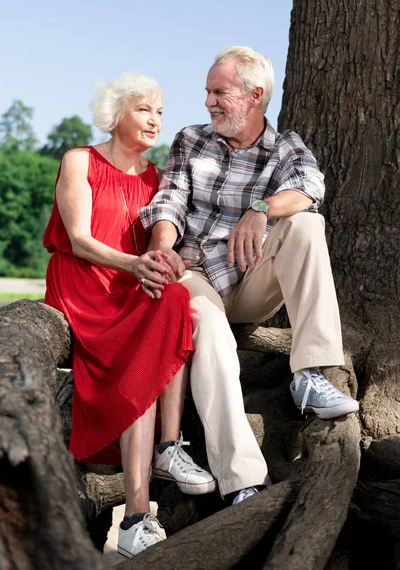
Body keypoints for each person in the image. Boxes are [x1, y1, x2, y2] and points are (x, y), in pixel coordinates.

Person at [139, 46, 359, 506]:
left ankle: (310, 372)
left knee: (306, 223)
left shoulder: (285, 147)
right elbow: (170, 200)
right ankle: (243, 482)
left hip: (249, 275)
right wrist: (161, 247)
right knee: (213, 336)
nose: (208, 102)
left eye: (218, 92)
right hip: (194, 273)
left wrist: (260, 210)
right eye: (207, 92)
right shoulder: (191, 140)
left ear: (254, 95)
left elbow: (308, 188)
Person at [43, 72, 215, 558]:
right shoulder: (79, 160)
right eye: (144, 109)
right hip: (85, 285)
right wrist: (135, 265)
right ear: (116, 113)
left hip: (129, 286)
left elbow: (165, 243)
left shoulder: (157, 178)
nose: (155, 119)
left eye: (160, 112)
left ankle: (168, 447)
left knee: (178, 298)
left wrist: (173, 261)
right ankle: (137, 517)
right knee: (147, 337)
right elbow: (78, 239)